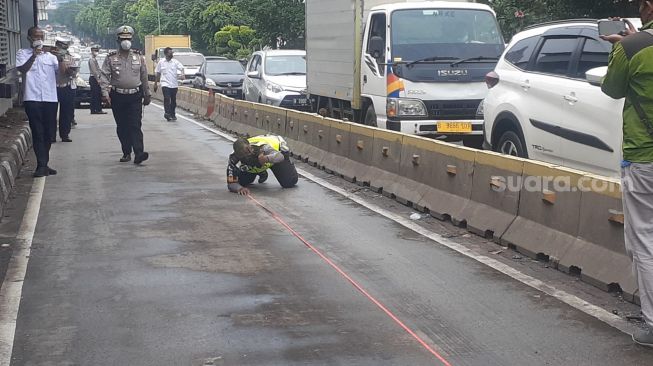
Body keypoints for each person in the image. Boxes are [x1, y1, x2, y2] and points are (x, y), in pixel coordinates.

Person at [601, 0, 653, 347]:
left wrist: (622, 47)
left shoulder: (632, 47)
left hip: (644, 158)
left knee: (645, 240)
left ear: (648, 7)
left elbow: (612, 89)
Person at [16, 26, 64, 177]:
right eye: (35, 36)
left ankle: (44, 163)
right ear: (29, 38)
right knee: (38, 132)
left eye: (41, 36)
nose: (38, 39)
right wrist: (34, 56)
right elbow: (22, 70)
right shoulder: (22, 53)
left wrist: (61, 57)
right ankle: (41, 165)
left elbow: (62, 75)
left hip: (50, 98)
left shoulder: (51, 57)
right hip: (32, 98)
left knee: (49, 133)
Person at [100, 25, 151, 164]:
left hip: (135, 95)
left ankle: (139, 153)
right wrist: (105, 93)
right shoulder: (111, 58)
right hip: (118, 96)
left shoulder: (138, 57)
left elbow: (144, 76)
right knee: (122, 126)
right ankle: (126, 152)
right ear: (118, 40)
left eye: (128, 38)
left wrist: (147, 94)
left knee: (135, 125)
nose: (126, 41)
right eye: (123, 38)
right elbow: (104, 76)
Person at [227, 135, 298, 195]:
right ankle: (260, 171)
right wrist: (239, 188)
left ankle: (288, 165)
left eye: (247, 151)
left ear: (250, 147)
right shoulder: (233, 158)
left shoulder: (262, 147)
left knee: (289, 182)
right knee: (242, 182)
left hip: (276, 156)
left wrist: (266, 158)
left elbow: (280, 156)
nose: (246, 156)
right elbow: (231, 183)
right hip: (256, 164)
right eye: (242, 155)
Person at [53, 37, 75, 143]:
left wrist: (71, 70)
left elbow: (73, 72)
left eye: (64, 47)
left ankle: (65, 134)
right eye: (60, 46)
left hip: (66, 87)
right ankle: (51, 135)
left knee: (66, 113)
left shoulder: (70, 57)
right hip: (53, 88)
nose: (62, 49)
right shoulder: (50, 57)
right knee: (51, 112)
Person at [154, 47, 184, 121]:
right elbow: (158, 73)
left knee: (173, 100)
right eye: (170, 53)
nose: (172, 54)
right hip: (165, 84)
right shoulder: (161, 62)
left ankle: (172, 114)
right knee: (167, 98)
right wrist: (155, 83)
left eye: (172, 53)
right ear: (166, 54)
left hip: (174, 84)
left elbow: (182, 68)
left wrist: (183, 74)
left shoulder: (175, 62)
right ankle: (167, 113)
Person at [88, 45, 106, 115]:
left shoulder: (94, 59)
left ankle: (96, 109)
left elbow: (98, 69)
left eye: (97, 51)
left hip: (95, 78)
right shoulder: (91, 60)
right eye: (95, 51)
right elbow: (94, 71)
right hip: (94, 78)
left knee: (97, 94)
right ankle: (96, 109)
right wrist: (98, 79)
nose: (96, 52)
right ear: (92, 51)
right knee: (95, 95)